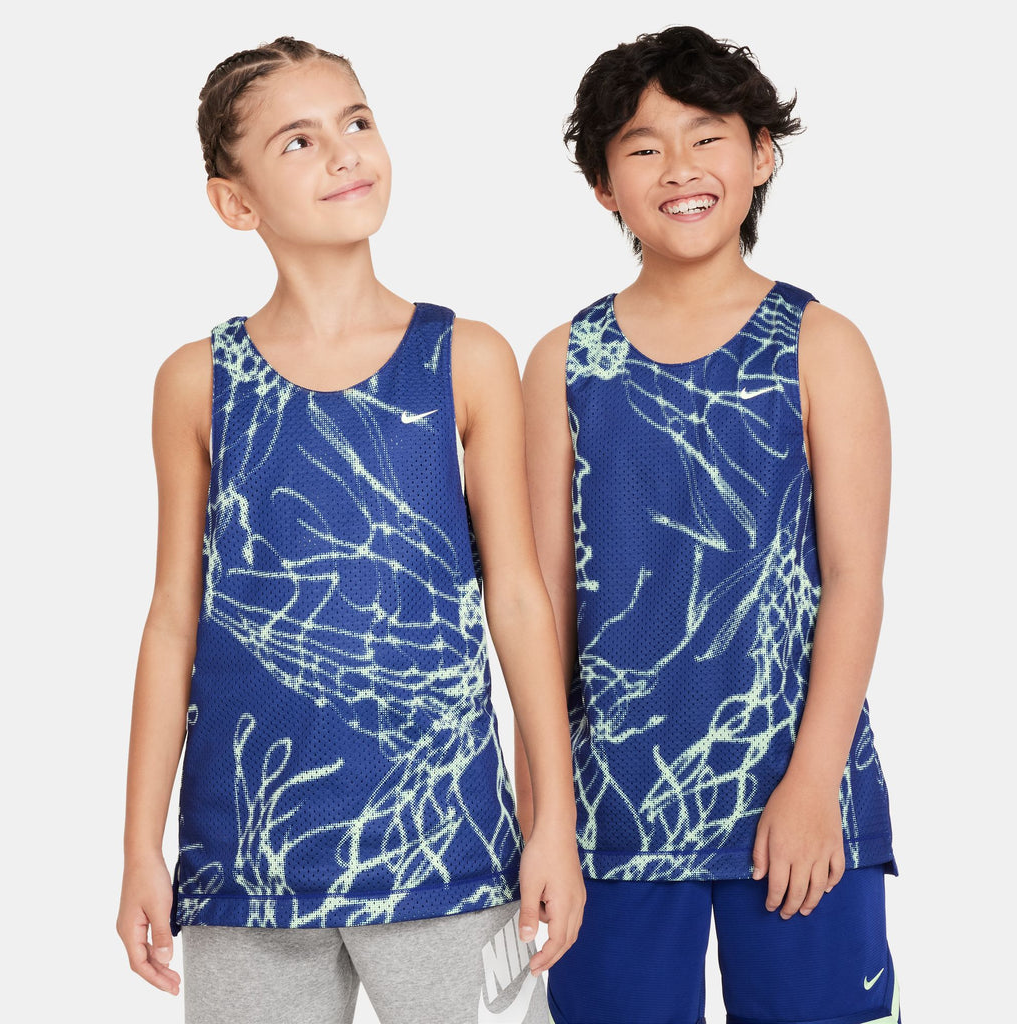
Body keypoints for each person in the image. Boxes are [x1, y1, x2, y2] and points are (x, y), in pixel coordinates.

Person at [116, 36, 583, 1024]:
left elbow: (517, 597)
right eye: (298, 140)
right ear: (234, 202)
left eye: (357, 121)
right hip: (247, 864)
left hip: (449, 852)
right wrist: (139, 849)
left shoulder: (467, 358)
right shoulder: (197, 383)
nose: (344, 152)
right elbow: (171, 621)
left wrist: (553, 822)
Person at [515, 25, 899, 1024]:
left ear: (760, 154)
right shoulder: (561, 361)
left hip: (797, 794)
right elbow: (541, 610)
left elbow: (854, 581)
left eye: (707, 137)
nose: (679, 169)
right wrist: (542, 811)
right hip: (614, 815)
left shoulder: (820, 344)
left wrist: (813, 782)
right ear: (603, 186)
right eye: (643, 147)